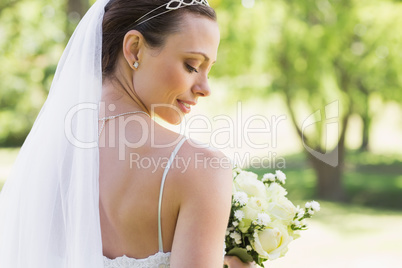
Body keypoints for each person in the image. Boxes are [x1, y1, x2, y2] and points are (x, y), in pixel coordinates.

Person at [0, 0, 253, 267]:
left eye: (208, 70)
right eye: (192, 65)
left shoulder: (47, 154)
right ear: (134, 50)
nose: (205, 88)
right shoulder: (200, 168)